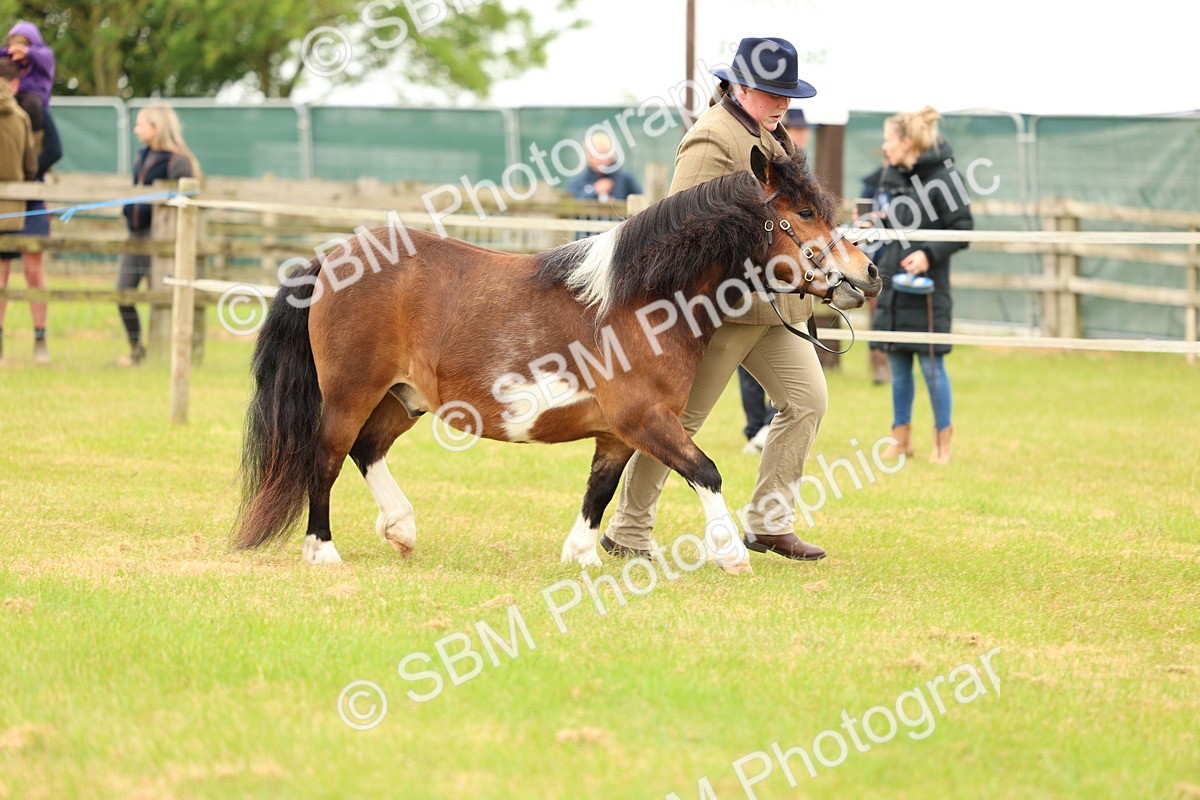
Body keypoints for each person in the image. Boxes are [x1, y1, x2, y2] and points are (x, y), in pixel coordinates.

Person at [601, 36, 828, 562]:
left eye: (788, 94)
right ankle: (629, 532)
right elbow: (683, 233)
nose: (784, 104)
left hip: (775, 308)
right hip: (722, 311)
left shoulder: (775, 138)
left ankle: (770, 521)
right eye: (774, 94)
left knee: (807, 401)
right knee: (676, 425)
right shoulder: (711, 140)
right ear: (742, 87)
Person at [868, 106, 973, 464]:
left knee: (932, 367)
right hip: (893, 287)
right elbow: (888, 225)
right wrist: (871, 224)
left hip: (928, 292)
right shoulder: (891, 176)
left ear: (907, 142)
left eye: (888, 140)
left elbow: (963, 229)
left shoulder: (946, 179)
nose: (885, 147)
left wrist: (928, 253)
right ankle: (901, 440)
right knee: (897, 367)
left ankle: (943, 442)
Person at [117, 104, 200, 366]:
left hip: (164, 241)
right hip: (136, 236)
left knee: (163, 297)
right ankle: (136, 349)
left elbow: (185, 201)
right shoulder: (142, 156)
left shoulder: (179, 162)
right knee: (123, 292)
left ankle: (170, 354)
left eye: (141, 124)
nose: (136, 129)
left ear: (156, 127)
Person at [0, 58, 39, 367]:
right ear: (14, 83)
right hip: (11, 211)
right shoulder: (22, 117)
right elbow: (31, 167)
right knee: (2, 279)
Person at [566, 131, 643, 202]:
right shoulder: (578, 182)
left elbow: (640, 201)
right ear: (588, 156)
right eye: (594, 154)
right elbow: (573, 205)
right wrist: (594, 191)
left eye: (603, 153)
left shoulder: (625, 178)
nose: (600, 159)